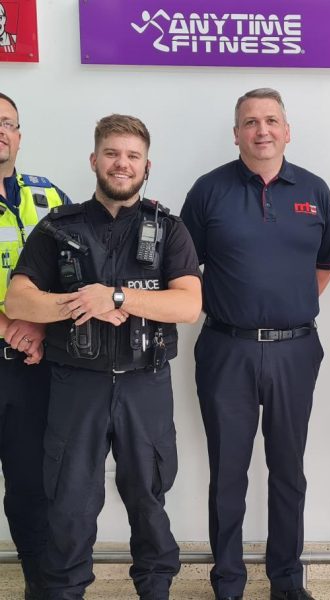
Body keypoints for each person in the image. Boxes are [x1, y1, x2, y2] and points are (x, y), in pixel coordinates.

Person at [5, 114, 202, 600]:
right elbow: (19, 300)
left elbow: (188, 305)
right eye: (112, 154)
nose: (122, 164)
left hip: (145, 386)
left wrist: (114, 298)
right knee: (69, 509)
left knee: (149, 504)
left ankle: (155, 590)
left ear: (147, 165)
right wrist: (77, 304)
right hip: (77, 387)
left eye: (132, 156)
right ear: (94, 160)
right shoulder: (58, 228)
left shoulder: (169, 228)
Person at [180, 88, 330, 600]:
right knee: (227, 472)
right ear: (236, 134)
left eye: (272, 120)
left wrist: (285, 310)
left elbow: (326, 264)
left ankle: (287, 583)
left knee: (288, 470)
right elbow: (182, 271)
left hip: (296, 351)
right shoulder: (208, 191)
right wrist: (245, 312)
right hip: (227, 350)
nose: (262, 130)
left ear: (287, 130)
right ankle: (228, 582)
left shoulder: (314, 191)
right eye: (250, 122)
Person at [0, 92, 69, 600]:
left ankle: (40, 590)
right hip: (10, 341)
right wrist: (6, 323)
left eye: (7, 123)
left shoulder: (48, 195)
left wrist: (39, 327)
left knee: (32, 489)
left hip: (32, 367)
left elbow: (76, 272)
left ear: (19, 135)